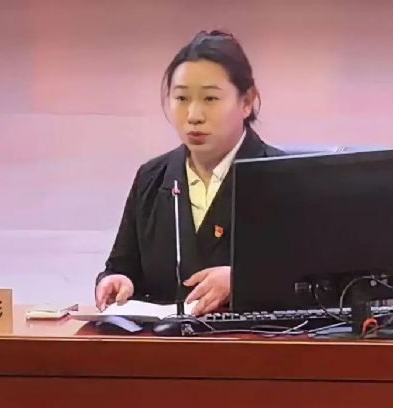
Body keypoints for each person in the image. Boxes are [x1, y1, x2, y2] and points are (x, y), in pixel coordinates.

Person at [94, 30, 283, 317]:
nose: (194, 115)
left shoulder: (284, 178)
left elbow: (320, 284)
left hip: (255, 342)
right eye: (181, 98)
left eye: (210, 99)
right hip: (165, 342)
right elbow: (122, 267)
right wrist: (117, 281)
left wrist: (243, 280)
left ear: (247, 102)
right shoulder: (152, 178)